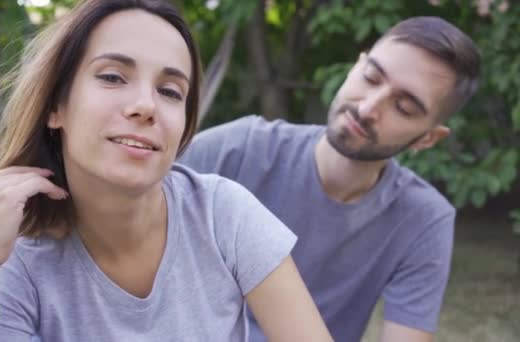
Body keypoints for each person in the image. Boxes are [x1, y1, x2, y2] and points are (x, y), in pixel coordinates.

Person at [0, 1, 333, 341]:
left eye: (170, 91)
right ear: (56, 106)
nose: (146, 105)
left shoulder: (222, 214)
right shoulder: (14, 256)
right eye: (112, 77)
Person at [179, 16, 480, 342]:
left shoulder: (424, 219)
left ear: (427, 139)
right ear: (356, 66)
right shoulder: (239, 149)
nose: (367, 108)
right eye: (371, 77)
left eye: (404, 107)